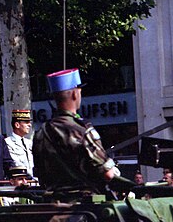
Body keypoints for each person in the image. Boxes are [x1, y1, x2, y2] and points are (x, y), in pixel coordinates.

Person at [33, 68, 121, 201]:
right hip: (85, 209)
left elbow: (40, 173)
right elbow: (108, 174)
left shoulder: (41, 133)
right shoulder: (82, 131)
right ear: (75, 94)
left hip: (52, 207)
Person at [5, 110, 35, 178]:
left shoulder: (29, 143)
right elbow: (16, 164)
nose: (29, 125)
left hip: (34, 181)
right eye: (26, 122)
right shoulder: (7, 143)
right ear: (17, 125)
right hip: (19, 181)